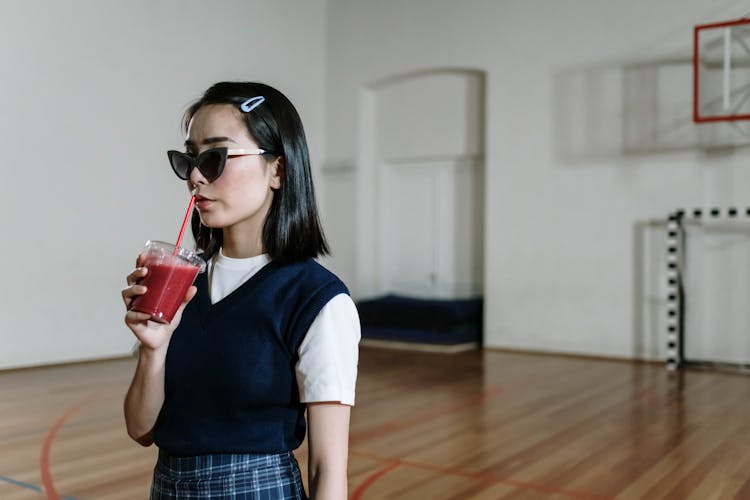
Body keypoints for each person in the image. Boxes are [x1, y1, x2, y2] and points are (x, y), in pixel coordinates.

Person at [121, 81, 360, 499]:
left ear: (278, 170)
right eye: (190, 158)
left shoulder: (316, 298)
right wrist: (153, 349)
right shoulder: (184, 283)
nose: (195, 175)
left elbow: (327, 468)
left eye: (216, 157)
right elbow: (141, 430)